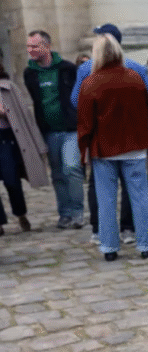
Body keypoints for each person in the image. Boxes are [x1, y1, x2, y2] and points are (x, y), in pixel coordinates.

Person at [72, 23, 148, 245]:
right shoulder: (135, 72)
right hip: (134, 143)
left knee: (106, 198)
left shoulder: (89, 77)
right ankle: (144, 243)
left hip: (103, 145)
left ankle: (108, 244)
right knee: (139, 196)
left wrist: (84, 146)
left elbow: (78, 107)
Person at [23, 29, 86, 229]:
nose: (30, 50)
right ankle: (64, 214)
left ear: (47, 46)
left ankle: (77, 212)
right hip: (48, 132)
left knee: (71, 168)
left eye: (34, 46)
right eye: (28, 46)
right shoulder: (29, 73)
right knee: (57, 174)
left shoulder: (68, 68)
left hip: (70, 129)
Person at [0, 63, 47, 235]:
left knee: (11, 180)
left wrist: (5, 112)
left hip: (6, 139)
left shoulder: (8, 87)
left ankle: (20, 214)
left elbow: (24, 116)